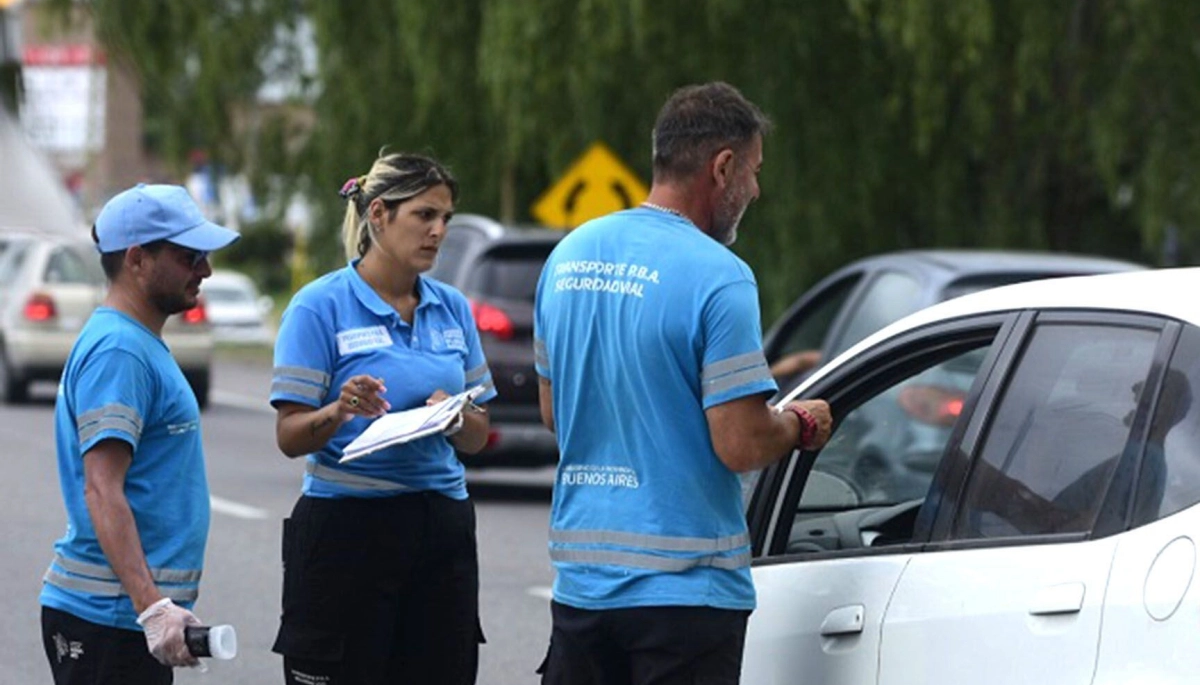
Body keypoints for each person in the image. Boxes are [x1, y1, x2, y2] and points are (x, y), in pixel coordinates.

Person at [533, 81, 834, 685]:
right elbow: (742, 443)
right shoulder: (720, 277)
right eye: (752, 172)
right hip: (686, 597)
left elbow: (553, 412)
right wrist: (799, 424)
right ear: (722, 168)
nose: (756, 190)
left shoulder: (568, 257)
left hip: (583, 589)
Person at [269, 152, 496, 685]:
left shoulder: (453, 308)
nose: (438, 231)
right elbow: (289, 436)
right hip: (348, 528)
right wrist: (339, 408)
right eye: (424, 216)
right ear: (378, 216)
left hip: (441, 527)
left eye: (445, 219)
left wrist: (454, 416)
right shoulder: (318, 306)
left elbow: (480, 435)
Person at [40, 183, 240, 684]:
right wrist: (151, 608)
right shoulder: (121, 352)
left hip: (118, 615)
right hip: (107, 618)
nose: (206, 269)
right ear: (136, 259)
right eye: (189, 255)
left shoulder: (134, 342)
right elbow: (102, 488)